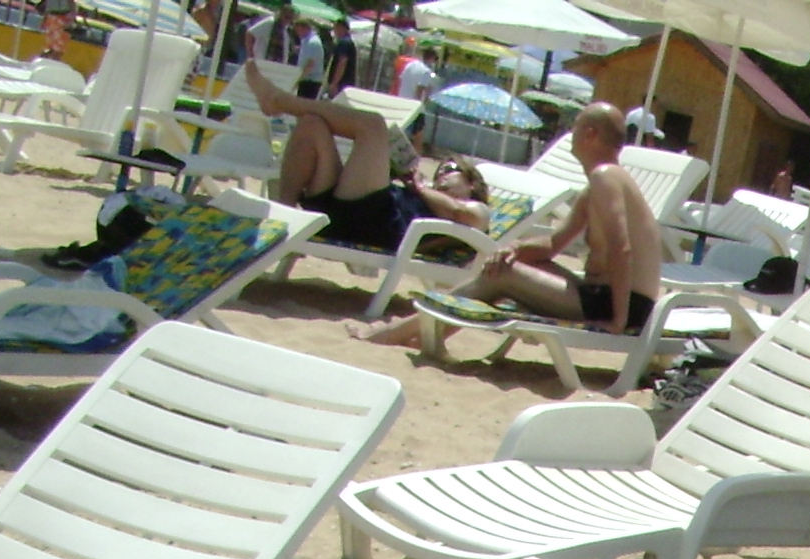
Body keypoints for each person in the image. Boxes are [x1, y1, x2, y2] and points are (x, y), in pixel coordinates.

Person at [361, 101, 659, 342]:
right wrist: (515, 248)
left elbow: (621, 248)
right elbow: (553, 244)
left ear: (590, 134)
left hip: (618, 304)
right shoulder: (598, 184)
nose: (570, 133)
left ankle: (399, 332)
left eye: (575, 126)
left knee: (501, 275)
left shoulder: (605, 177)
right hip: (601, 296)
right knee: (507, 263)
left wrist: (619, 320)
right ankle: (428, 335)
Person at [249, 45, 479, 257]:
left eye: (449, 169)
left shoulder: (479, 209)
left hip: (376, 226)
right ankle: (285, 216)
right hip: (349, 212)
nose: (441, 175)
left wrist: (418, 187)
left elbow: (462, 214)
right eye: (440, 171)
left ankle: (281, 102)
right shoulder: (427, 193)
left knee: (373, 125)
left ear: (472, 184)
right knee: (312, 124)